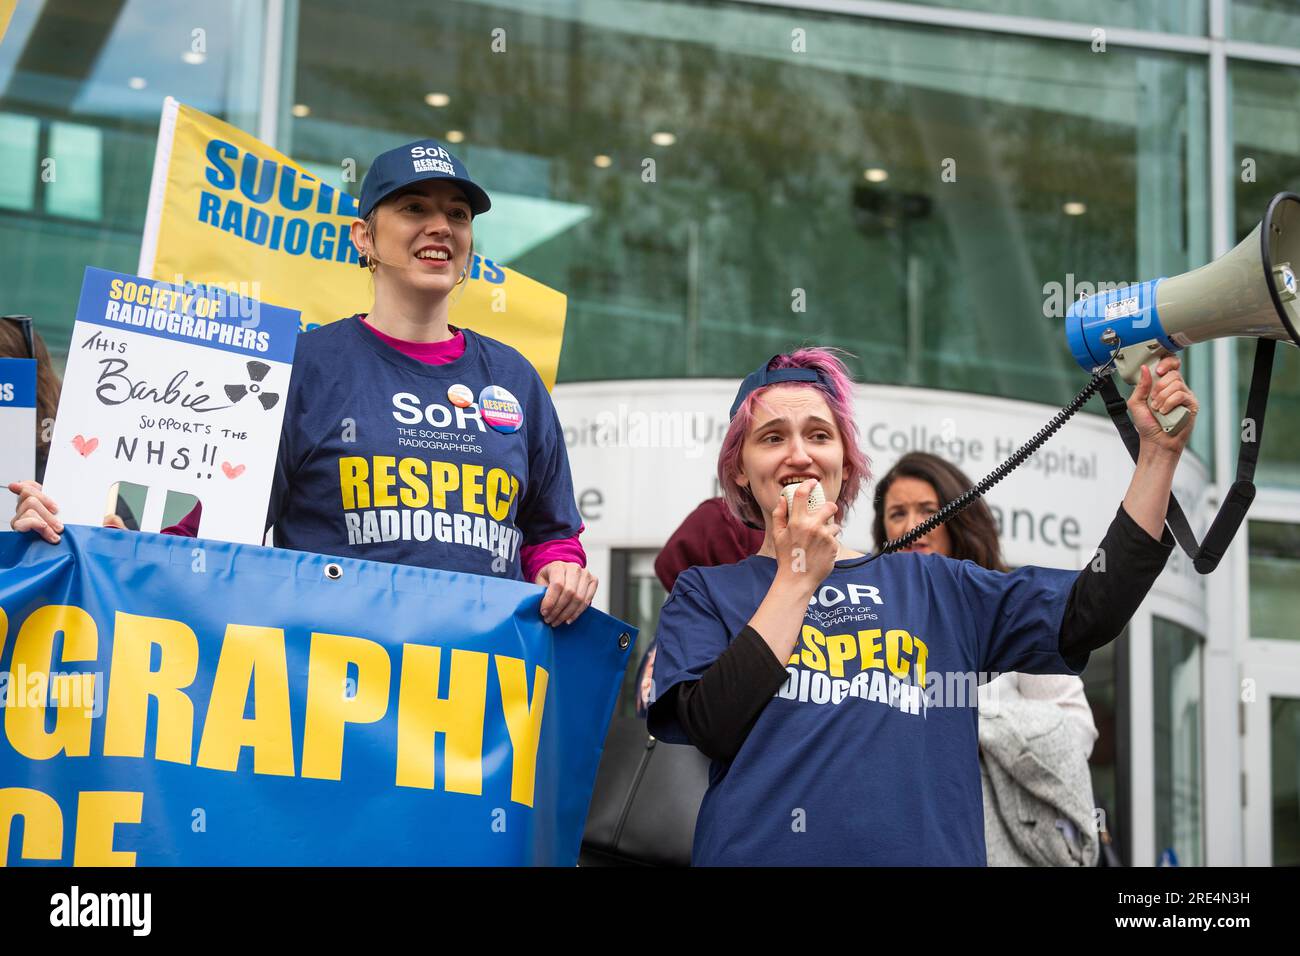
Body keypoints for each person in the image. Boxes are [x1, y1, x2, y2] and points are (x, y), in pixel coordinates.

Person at [10, 139, 596, 626]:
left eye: (458, 215)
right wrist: (106, 540)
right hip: (328, 702)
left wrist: (560, 568)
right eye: (414, 208)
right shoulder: (303, 367)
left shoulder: (513, 377)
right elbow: (214, 533)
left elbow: (551, 532)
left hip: (481, 704)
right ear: (363, 238)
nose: (440, 225)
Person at [646, 346, 1194, 865]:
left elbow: (1091, 610)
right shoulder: (705, 593)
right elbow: (712, 726)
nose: (799, 454)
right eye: (772, 438)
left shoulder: (937, 585)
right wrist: (795, 577)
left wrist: (1157, 457)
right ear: (740, 467)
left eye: (819, 435)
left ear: (844, 461)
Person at [872, 451, 1100, 866]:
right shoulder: (870, 620)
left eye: (928, 511)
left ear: (959, 519)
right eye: (897, 513)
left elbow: (1076, 731)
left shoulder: (1005, 609)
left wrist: (963, 721)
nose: (913, 527)